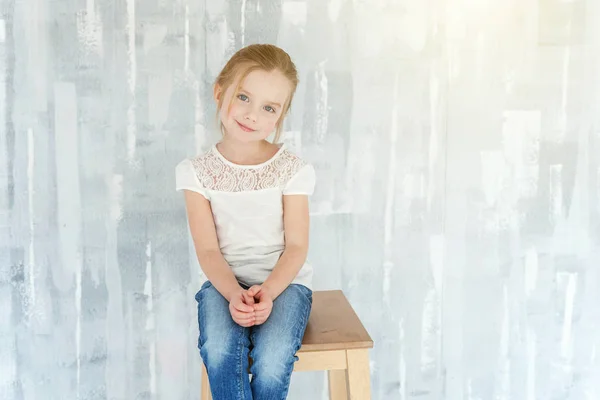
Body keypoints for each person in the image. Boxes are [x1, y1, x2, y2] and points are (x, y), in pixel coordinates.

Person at [175, 43, 316, 400]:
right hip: (223, 283)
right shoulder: (196, 173)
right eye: (244, 97)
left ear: (280, 116)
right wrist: (234, 293)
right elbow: (207, 250)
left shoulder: (292, 169)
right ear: (219, 92)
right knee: (221, 351)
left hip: (284, 285)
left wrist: (267, 293)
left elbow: (297, 247)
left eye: (269, 108)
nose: (253, 115)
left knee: (271, 360)